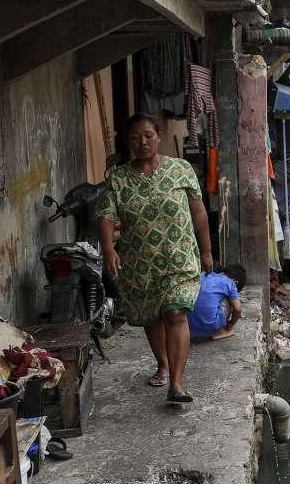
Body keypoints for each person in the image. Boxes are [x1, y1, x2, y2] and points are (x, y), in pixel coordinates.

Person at [98, 113, 213, 404]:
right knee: (152, 315)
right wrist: (109, 248)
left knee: (175, 313)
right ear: (128, 142)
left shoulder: (181, 169)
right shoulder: (119, 179)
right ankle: (162, 363)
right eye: (135, 137)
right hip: (139, 263)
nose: (143, 142)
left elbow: (198, 213)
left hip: (179, 259)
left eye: (148, 135)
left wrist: (207, 250)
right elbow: (106, 216)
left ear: (158, 136)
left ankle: (176, 385)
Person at [188, 264, 246, 341]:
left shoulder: (202, 275)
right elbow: (238, 309)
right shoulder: (230, 284)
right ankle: (220, 332)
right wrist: (230, 324)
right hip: (211, 326)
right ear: (235, 282)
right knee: (229, 300)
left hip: (188, 325)